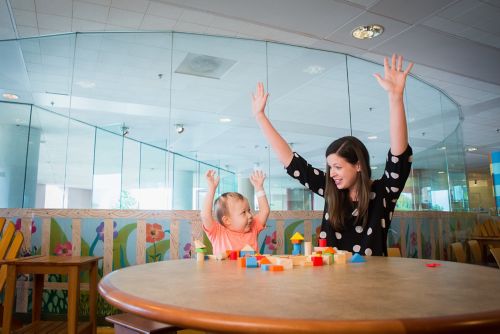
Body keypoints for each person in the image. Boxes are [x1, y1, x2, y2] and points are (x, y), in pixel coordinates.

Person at [252, 54, 413, 256]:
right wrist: (260, 117)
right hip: (331, 281)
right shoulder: (332, 191)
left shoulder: (383, 193)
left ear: (358, 165)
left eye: (338, 167)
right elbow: (292, 163)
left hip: (373, 283)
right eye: (330, 168)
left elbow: (398, 156)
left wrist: (396, 98)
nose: (333, 173)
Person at [201, 169, 270, 255]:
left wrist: (259, 188)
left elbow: (265, 211)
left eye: (249, 210)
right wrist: (211, 189)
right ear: (227, 220)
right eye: (243, 212)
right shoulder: (218, 232)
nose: (250, 216)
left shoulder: (253, 227)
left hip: (250, 269)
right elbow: (205, 216)